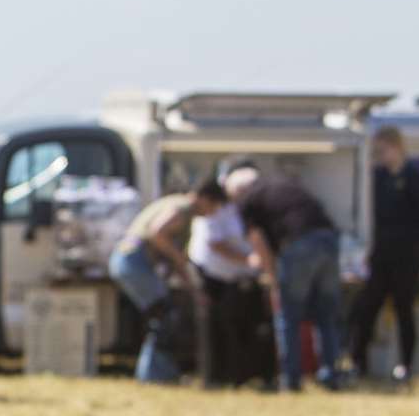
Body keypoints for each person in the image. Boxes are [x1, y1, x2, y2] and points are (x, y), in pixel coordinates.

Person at [226, 168, 343, 391]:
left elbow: (257, 240)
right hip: (329, 241)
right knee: (326, 315)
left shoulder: (249, 199)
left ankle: (291, 380)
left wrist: (272, 280)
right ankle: (331, 376)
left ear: (239, 191)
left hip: (299, 245)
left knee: (288, 316)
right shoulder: (284, 183)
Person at [349, 127, 419, 382]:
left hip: (407, 255)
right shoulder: (376, 178)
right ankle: (358, 363)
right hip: (379, 254)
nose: (379, 156)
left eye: (382, 150)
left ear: (396, 146)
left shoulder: (415, 178)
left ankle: (405, 365)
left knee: (404, 308)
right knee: (368, 307)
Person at [108, 180, 224, 383]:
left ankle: (157, 372)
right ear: (205, 199)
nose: (212, 214)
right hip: (134, 261)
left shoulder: (180, 209)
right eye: (214, 207)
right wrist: (179, 258)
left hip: (128, 261)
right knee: (164, 316)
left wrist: (194, 289)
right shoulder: (183, 207)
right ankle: (154, 375)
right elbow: (157, 232)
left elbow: (176, 260)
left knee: (162, 315)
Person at [187, 185, 271, 388]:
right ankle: (215, 377)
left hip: (232, 279)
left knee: (235, 328)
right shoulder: (214, 214)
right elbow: (215, 244)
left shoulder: (230, 213)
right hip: (213, 277)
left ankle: (235, 375)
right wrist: (248, 260)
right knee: (215, 329)